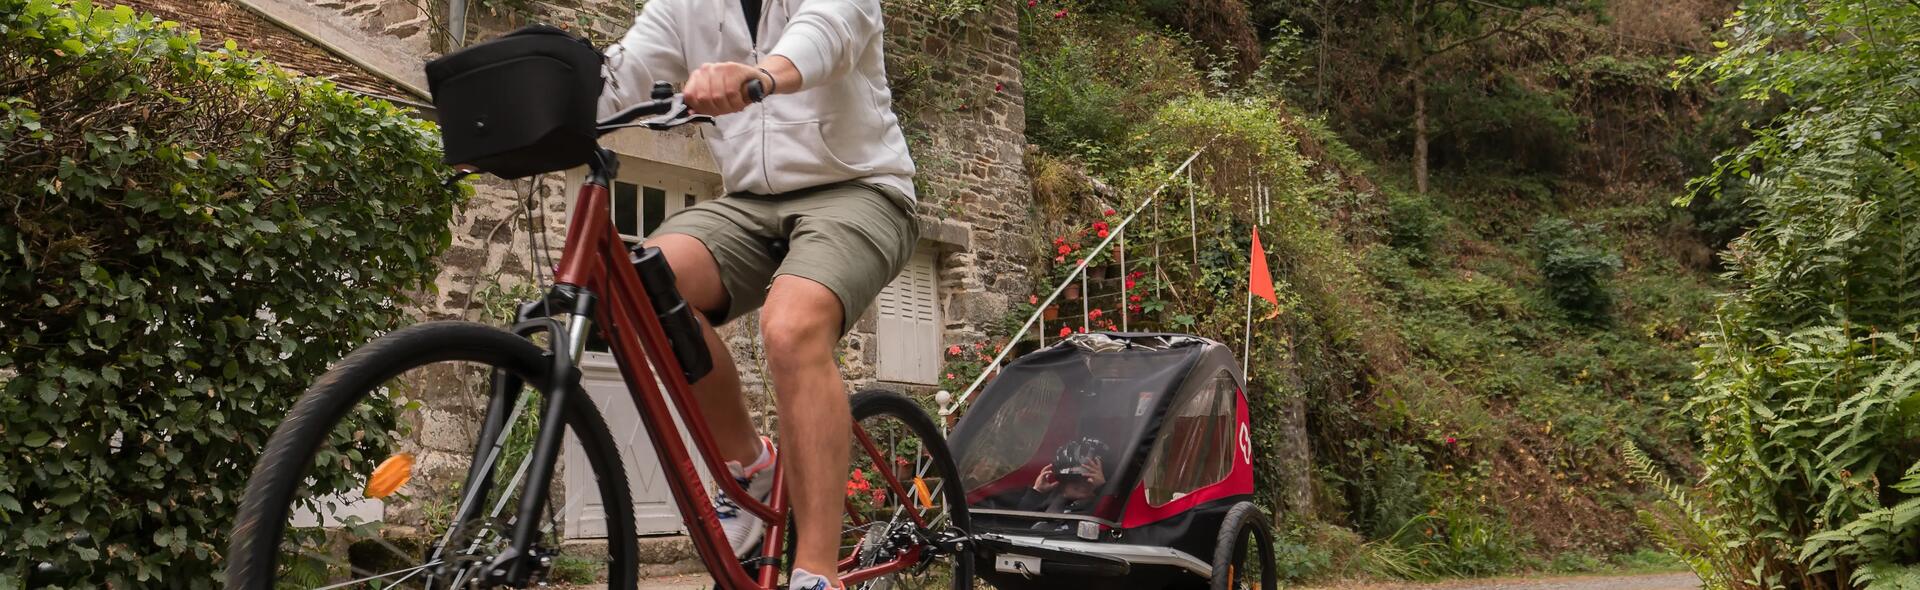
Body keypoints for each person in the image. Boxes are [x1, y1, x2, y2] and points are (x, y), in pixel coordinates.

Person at [596, 1, 918, 589]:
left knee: (791, 327)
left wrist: (763, 74)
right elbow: (620, 78)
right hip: (749, 202)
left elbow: (826, 31)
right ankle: (751, 467)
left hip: (861, 189)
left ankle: (814, 573)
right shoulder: (682, 6)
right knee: (637, 288)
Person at [1019, 438, 1109, 514]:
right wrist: (1037, 492)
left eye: (1088, 477)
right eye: (1073, 477)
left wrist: (1102, 490)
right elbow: (1022, 522)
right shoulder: (1049, 502)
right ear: (1061, 480)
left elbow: (1107, 515)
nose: (1082, 482)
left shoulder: (1104, 509)